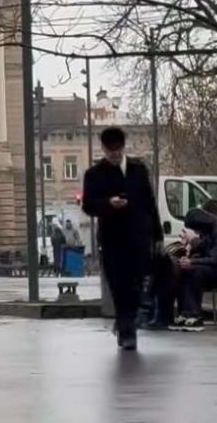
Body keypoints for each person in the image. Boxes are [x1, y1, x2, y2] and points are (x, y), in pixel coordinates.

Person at [82, 126, 160, 350]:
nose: (114, 155)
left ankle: (125, 321)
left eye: (117, 150)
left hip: (138, 238)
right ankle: (127, 332)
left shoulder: (138, 170)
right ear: (104, 150)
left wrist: (157, 235)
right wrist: (108, 204)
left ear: (123, 148)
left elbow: (150, 203)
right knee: (118, 285)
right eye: (110, 151)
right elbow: (88, 205)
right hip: (112, 239)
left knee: (136, 285)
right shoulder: (94, 175)